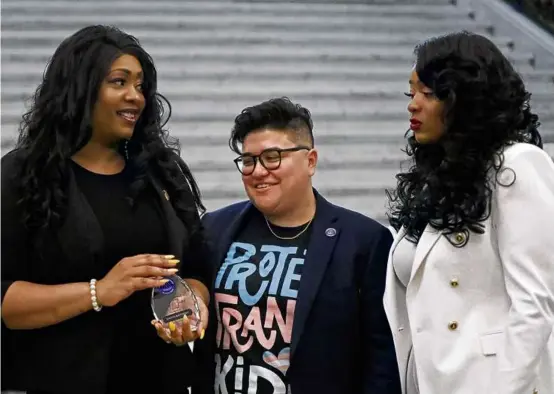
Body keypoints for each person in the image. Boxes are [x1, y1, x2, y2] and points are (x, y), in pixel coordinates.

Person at [1, 25, 210, 394]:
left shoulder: (160, 172)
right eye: (119, 82)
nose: (136, 97)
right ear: (81, 89)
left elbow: (195, 270)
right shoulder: (24, 175)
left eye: (141, 85)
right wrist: (99, 291)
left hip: (160, 379)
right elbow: (5, 301)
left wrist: (192, 307)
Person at [193, 97, 401, 394]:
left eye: (273, 156)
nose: (258, 171)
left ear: (310, 161)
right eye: (249, 160)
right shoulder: (215, 227)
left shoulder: (364, 241)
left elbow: (381, 358)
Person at [385, 31, 554, 394]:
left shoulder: (517, 166)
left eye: (428, 94)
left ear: (465, 99)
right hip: (428, 380)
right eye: (410, 92)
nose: (413, 105)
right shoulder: (439, 175)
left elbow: (535, 306)